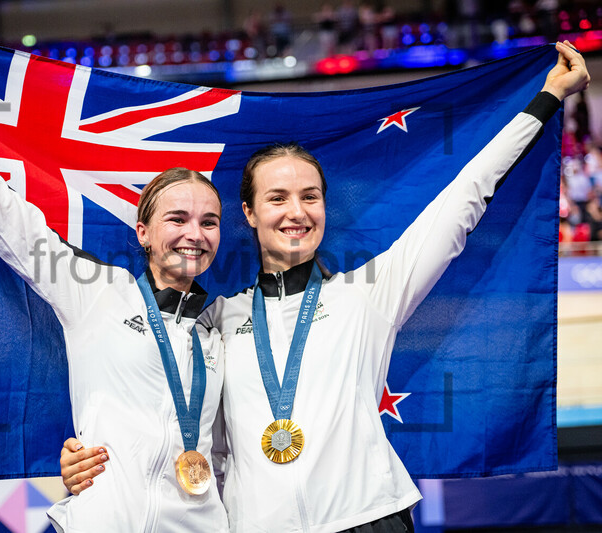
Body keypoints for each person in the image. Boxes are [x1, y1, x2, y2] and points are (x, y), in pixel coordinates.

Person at [60, 41, 589, 531]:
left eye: (310, 196)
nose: (297, 212)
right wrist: (87, 457)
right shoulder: (218, 320)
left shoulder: (369, 293)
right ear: (248, 212)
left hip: (369, 518)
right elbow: (174, 417)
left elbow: (463, 201)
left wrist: (544, 99)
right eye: (278, 198)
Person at [0, 23, 229, 532]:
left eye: (208, 222)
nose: (195, 234)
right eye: (178, 219)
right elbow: (0, 209)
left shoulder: (229, 326)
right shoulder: (93, 291)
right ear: (143, 231)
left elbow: (236, 451)